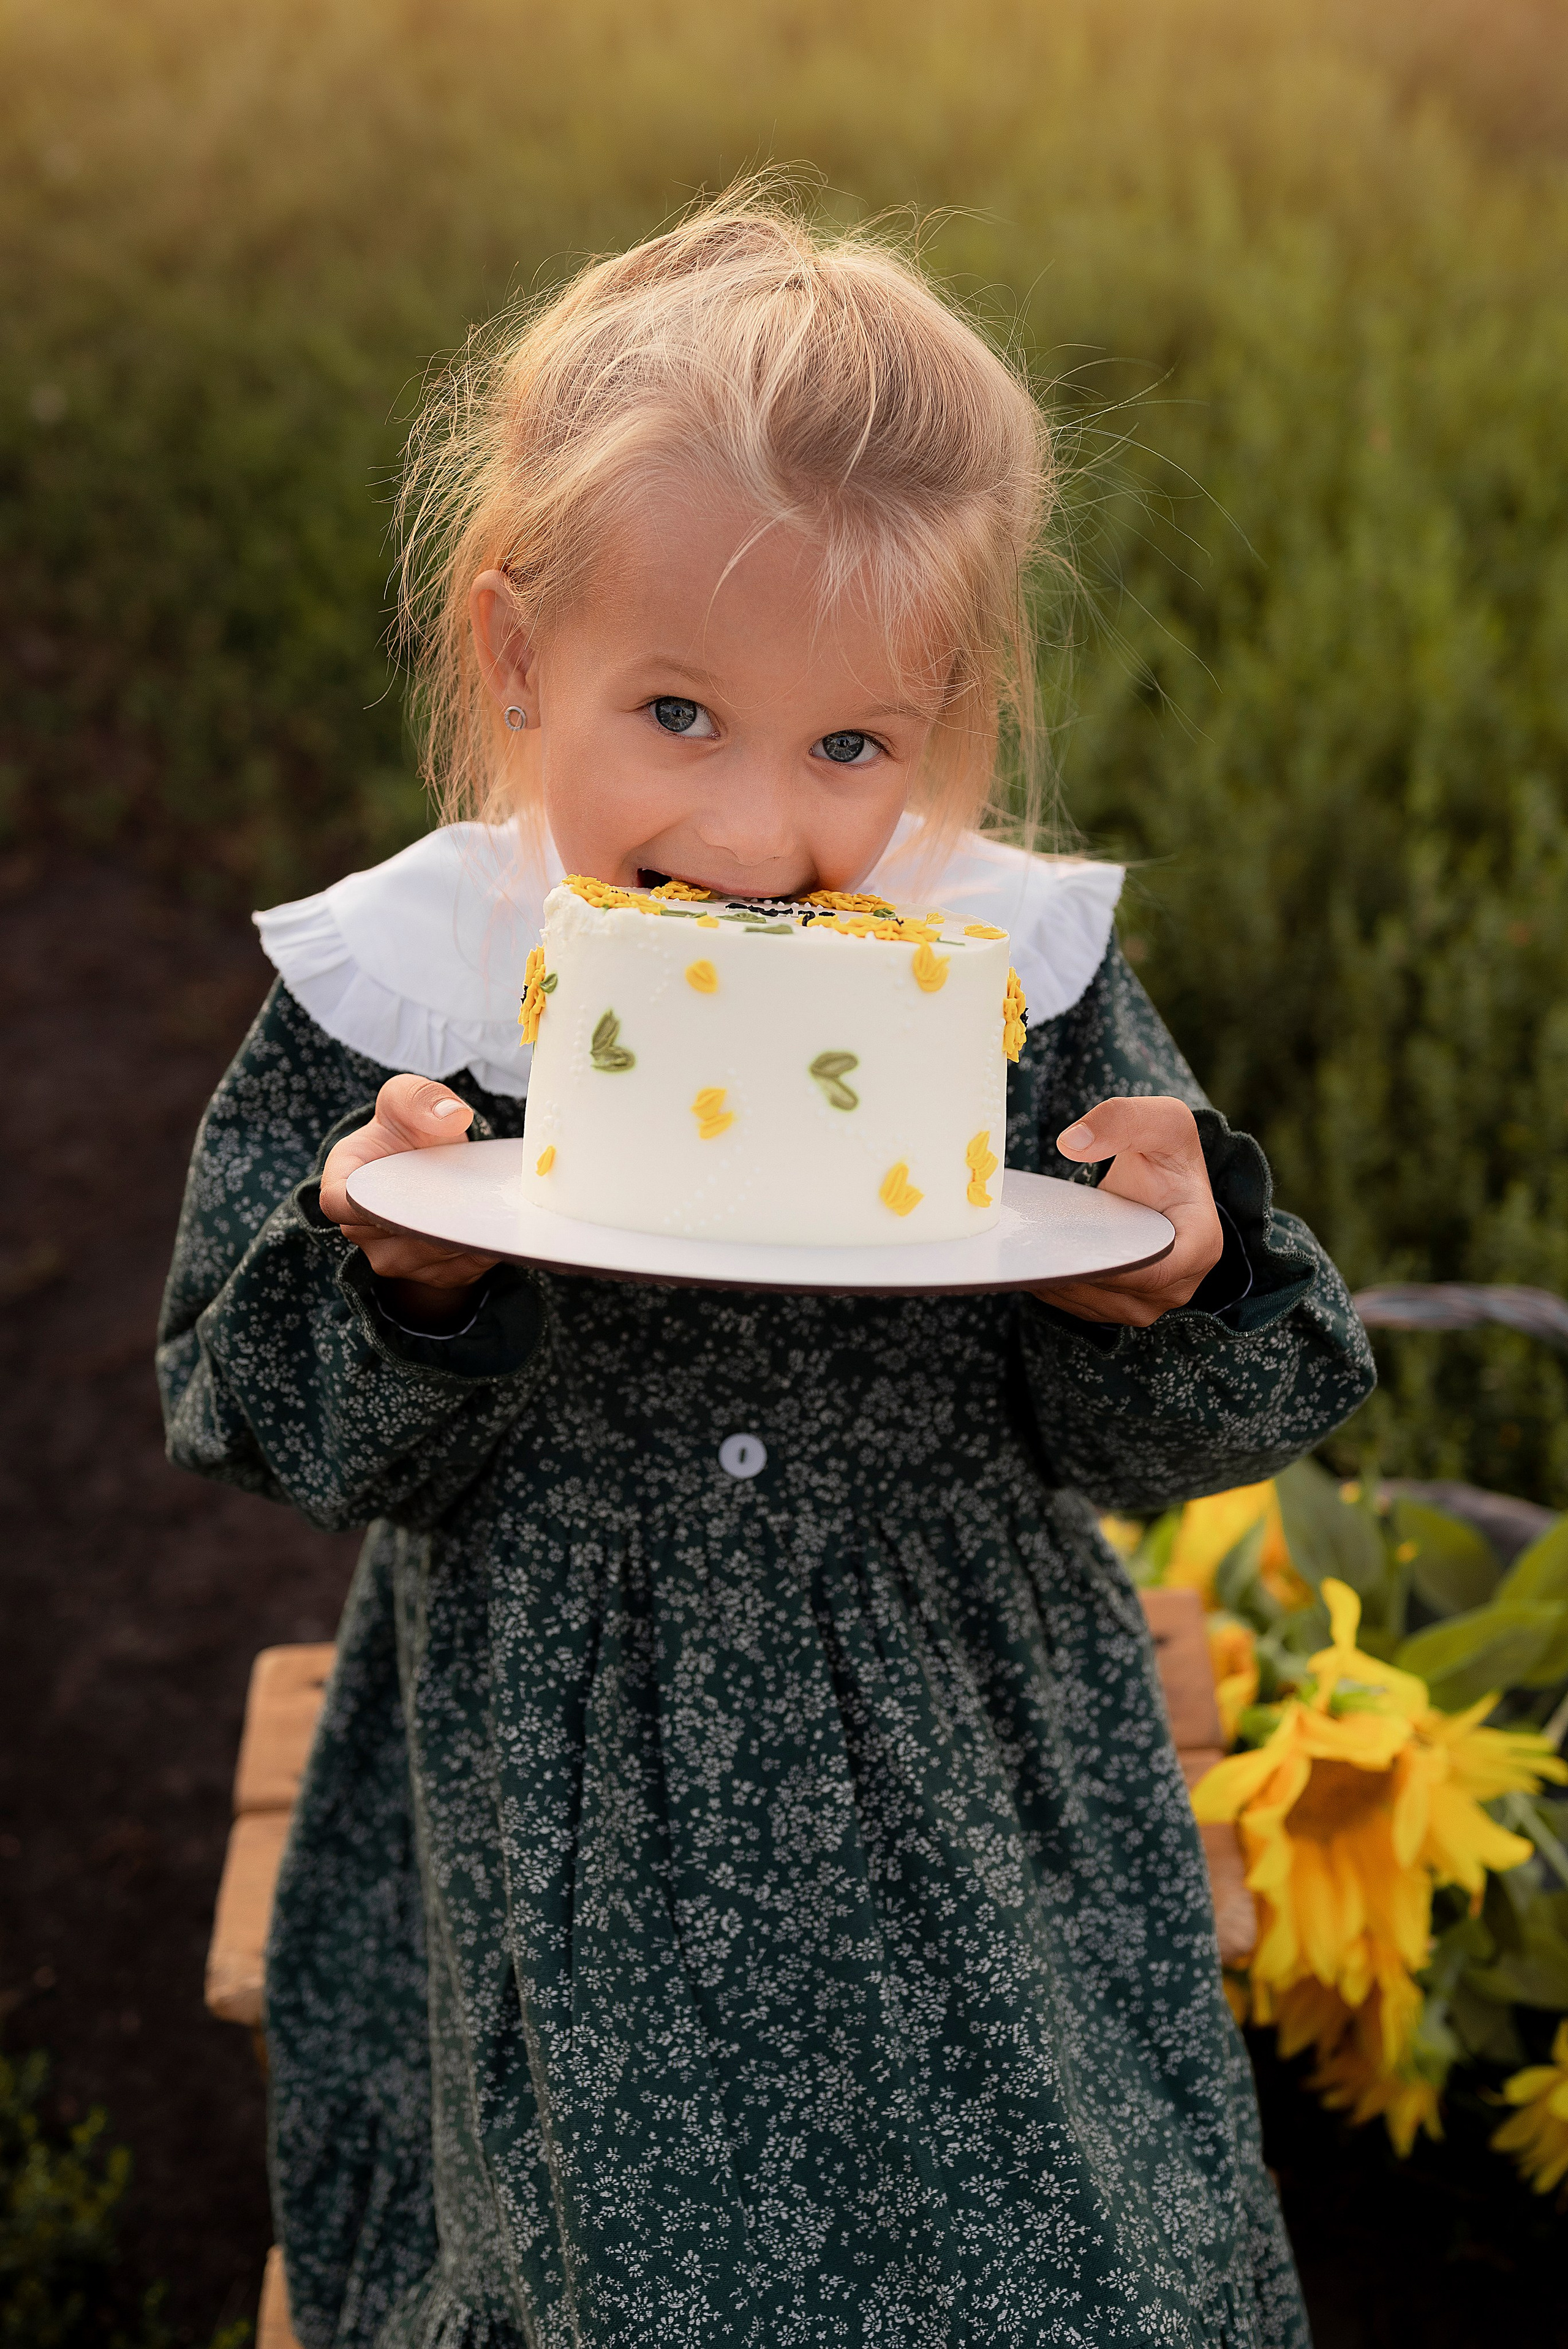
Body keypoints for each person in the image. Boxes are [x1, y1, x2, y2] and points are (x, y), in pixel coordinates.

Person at [159, 189, 1371, 2349]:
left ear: (949, 715)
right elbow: (248, 1413)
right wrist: (396, 1273)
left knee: (1057, 2253)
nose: (751, 836)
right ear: (522, 656)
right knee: (604, 2269)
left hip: (949, 1752)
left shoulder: (1004, 981)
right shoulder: (410, 997)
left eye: (848, 748)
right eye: (681, 716)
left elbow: (1181, 1424)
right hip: (567, 1760)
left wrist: (1171, 1282)